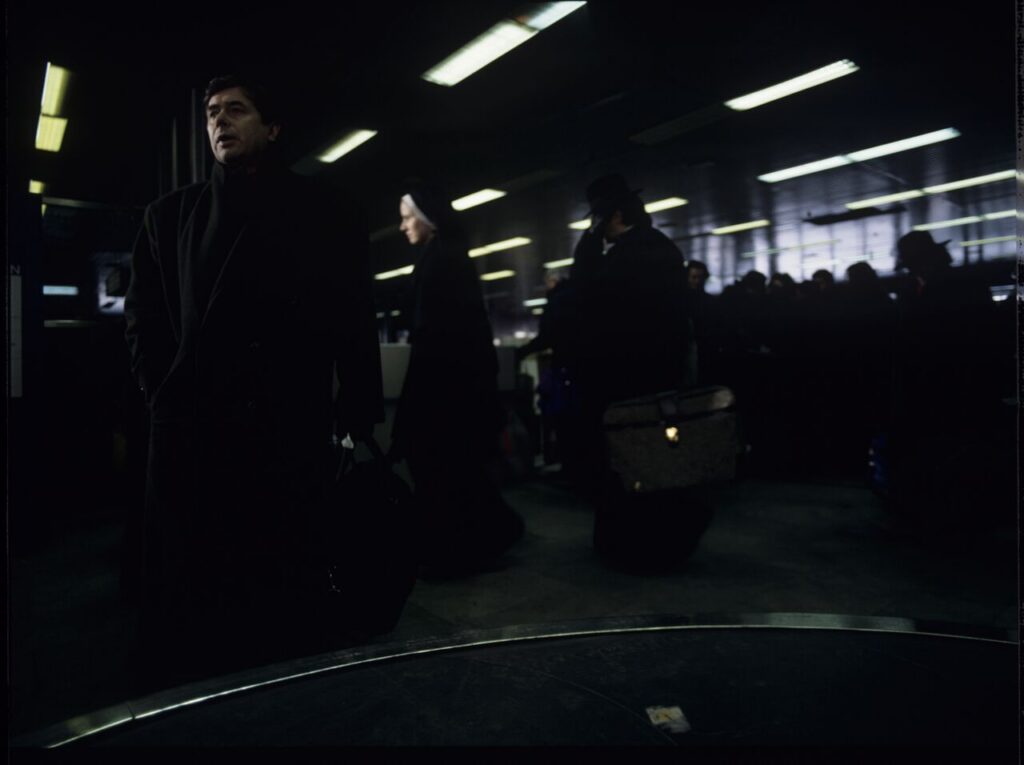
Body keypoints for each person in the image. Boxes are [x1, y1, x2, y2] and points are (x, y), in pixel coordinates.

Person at [123, 74, 383, 676]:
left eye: (237, 110)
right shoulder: (168, 217)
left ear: (272, 127)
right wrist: (160, 390)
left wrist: (359, 404)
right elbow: (144, 319)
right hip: (193, 430)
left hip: (284, 426)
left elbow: (352, 313)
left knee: (280, 584)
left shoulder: (327, 211)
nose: (219, 122)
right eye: (212, 112)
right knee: (196, 590)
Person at [391, 180, 524, 575]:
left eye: (406, 218)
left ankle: (453, 549)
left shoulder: (440, 260)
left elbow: (436, 334)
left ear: (427, 219)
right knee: (455, 472)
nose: (402, 227)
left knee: (440, 470)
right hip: (455, 390)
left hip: (442, 392)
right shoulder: (447, 256)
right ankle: (473, 541)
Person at [563, 173, 690, 484]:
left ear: (616, 215)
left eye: (599, 218)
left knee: (629, 459)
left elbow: (583, 292)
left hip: (627, 375)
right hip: (664, 368)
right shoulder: (663, 247)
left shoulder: (622, 258)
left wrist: (589, 241)